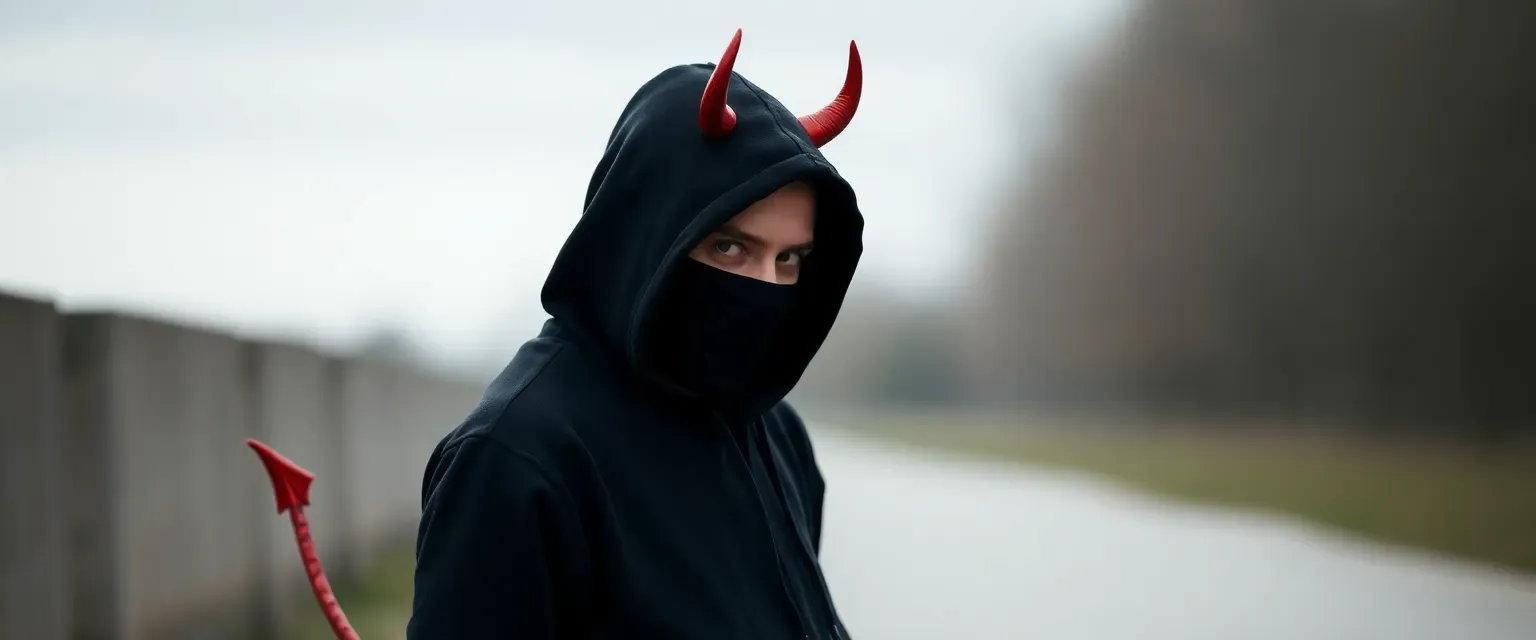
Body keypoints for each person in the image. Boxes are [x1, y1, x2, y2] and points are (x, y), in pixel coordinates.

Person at [406, 29, 864, 640]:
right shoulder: (517, 455)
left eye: (790, 260)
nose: (764, 288)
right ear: (646, 236)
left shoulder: (776, 431)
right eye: (731, 247)